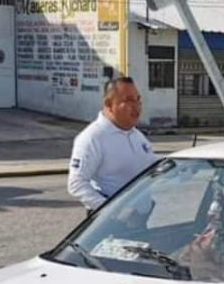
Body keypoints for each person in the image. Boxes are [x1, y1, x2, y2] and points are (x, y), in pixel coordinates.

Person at [67, 77, 157, 216]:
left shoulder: (136, 135)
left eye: (138, 99)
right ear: (109, 104)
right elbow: (77, 183)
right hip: (110, 222)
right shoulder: (93, 137)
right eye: (128, 100)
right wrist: (112, 212)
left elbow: (152, 165)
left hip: (140, 217)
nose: (136, 106)